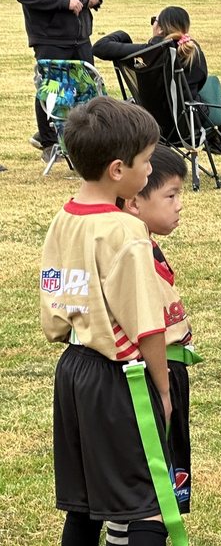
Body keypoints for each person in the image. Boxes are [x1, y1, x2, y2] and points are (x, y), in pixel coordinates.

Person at [39, 96, 171, 546]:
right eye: (146, 161)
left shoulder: (63, 218)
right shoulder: (125, 230)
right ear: (118, 169)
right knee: (148, 505)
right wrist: (163, 390)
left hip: (73, 372)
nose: (150, 170)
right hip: (120, 377)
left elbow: (53, 301)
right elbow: (145, 323)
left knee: (85, 505)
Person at [106, 144, 200, 545]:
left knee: (148, 490)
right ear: (133, 202)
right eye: (171, 195)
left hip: (163, 370)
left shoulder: (143, 242)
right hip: (147, 375)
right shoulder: (132, 250)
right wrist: (162, 388)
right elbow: (146, 328)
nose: (180, 205)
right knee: (151, 496)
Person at [93, 5, 221, 180]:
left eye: (154, 21)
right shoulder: (192, 52)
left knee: (213, 94)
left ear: (160, 28)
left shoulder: (143, 54)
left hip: (152, 126)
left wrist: (123, 35)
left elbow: (99, 47)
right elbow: (201, 81)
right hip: (189, 125)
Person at [9, 0, 101, 165]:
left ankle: (85, 142)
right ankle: (49, 142)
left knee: (87, 88)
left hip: (80, 34)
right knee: (52, 90)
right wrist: (64, 2)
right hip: (50, 36)